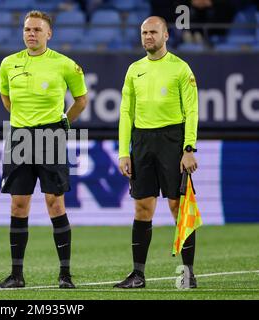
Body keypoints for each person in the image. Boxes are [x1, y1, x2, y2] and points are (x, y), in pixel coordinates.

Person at [0, 10, 88, 289]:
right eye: (27, 29)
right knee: (18, 204)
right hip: (19, 138)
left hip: (51, 136)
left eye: (36, 29)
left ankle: (65, 275)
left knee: (54, 203)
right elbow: (6, 97)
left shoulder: (65, 64)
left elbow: (81, 100)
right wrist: (24, 123)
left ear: (49, 34)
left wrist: (62, 124)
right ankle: (16, 275)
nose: (31, 34)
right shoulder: (8, 63)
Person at [115, 16, 199, 289]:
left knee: (178, 207)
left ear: (165, 36)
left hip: (172, 141)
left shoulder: (180, 68)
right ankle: (138, 275)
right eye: (144, 32)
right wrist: (123, 152)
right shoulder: (133, 70)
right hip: (141, 141)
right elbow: (126, 113)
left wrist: (188, 148)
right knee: (142, 208)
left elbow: (192, 112)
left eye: (153, 32)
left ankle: (188, 274)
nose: (147, 36)